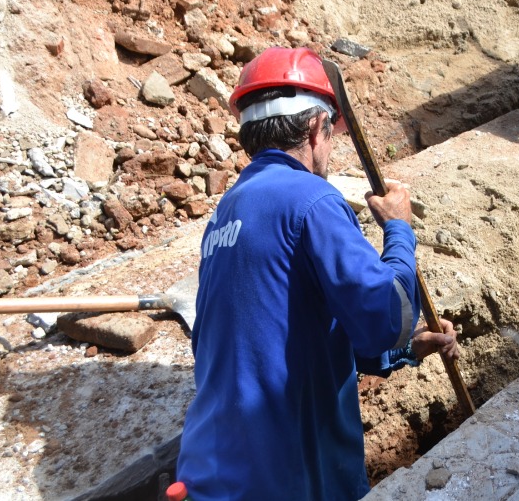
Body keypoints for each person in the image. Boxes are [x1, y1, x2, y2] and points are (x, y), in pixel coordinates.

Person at [175, 47, 460, 501]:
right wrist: (399, 230)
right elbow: (387, 316)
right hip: (286, 477)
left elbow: (281, 340)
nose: (329, 149)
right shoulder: (311, 199)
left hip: (209, 470)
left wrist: (409, 350)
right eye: (331, 134)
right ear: (314, 129)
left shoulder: (227, 212)